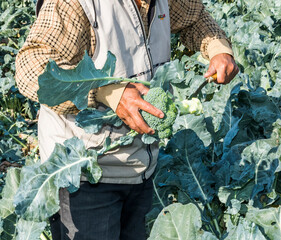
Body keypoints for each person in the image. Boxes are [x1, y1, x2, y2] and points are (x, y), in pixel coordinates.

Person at [15, 0, 239, 239]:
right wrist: (106, 91)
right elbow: (32, 71)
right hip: (83, 176)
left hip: (141, 169)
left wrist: (218, 48)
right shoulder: (77, 4)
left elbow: (194, 18)